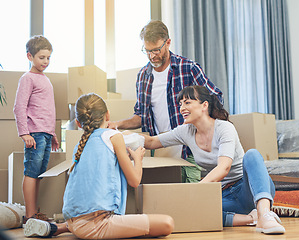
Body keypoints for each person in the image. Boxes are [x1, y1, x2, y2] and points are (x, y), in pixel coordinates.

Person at [23, 93, 174, 239]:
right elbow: (134, 181)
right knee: (167, 223)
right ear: (108, 115)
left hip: (73, 220)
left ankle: (59, 228)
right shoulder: (114, 137)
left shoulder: (79, 146)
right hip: (98, 224)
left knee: (84, 222)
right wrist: (138, 159)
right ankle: (68, 228)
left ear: (77, 122)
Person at [142, 86, 285, 235]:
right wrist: (123, 136)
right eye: (180, 104)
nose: (182, 108)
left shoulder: (224, 128)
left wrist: (195, 190)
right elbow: (151, 142)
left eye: (187, 102)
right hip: (224, 196)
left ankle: (265, 214)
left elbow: (224, 168)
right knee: (192, 210)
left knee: (252, 155)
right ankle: (251, 218)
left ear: (204, 105)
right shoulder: (185, 131)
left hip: (248, 189)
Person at [108, 20, 223, 183]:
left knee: (193, 199)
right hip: (157, 149)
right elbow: (141, 116)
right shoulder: (143, 76)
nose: (152, 56)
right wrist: (117, 124)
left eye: (156, 50)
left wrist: (199, 123)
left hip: (188, 150)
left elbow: (216, 98)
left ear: (167, 42)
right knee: (162, 200)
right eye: (147, 51)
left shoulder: (188, 68)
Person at [13, 35, 59, 223]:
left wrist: (53, 134)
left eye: (48, 57)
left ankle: (34, 213)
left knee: (38, 174)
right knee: (31, 173)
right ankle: (30, 216)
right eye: (42, 57)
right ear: (29, 56)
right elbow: (19, 107)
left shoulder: (45, 79)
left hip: (45, 134)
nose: (46, 62)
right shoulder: (27, 78)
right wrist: (24, 133)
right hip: (35, 134)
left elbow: (47, 110)